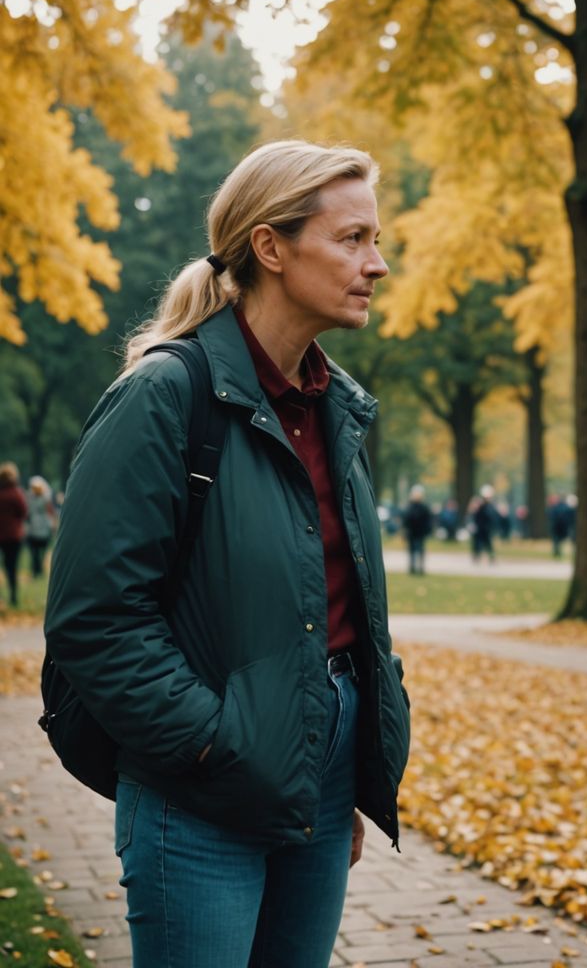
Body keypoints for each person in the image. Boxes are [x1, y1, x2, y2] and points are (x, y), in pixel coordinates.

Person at [44, 140, 411, 968]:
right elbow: (93, 618)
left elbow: (341, 609)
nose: (377, 264)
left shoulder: (336, 407)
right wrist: (216, 743)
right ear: (271, 247)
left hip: (319, 786)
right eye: (352, 239)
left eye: (375, 239)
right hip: (197, 792)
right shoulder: (163, 397)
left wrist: (339, 767)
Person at [0, 462, 28, 607]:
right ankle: (13, 595)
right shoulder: (17, 493)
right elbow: (24, 512)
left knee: (5, 564)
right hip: (15, 535)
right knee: (13, 565)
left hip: (2, 535)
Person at [25, 475, 57, 578]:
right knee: (41, 551)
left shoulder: (29, 497)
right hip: (43, 526)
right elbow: (50, 511)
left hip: (34, 526)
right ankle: (39, 570)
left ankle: (36, 569)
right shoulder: (45, 497)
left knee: (35, 552)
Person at [403, 484, 433, 575]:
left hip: (420, 532)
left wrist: (427, 530)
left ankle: (420, 568)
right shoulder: (410, 506)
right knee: (412, 551)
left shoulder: (424, 507)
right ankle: (412, 568)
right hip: (412, 532)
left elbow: (428, 520)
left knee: (420, 550)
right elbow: (406, 520)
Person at [470, 484, 497, 563]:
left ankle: (490, 557)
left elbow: (491, 517)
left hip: (486, 528)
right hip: (480, 528)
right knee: (478, 544)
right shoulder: (480, 505)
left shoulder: (489, 506)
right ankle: (477, 557)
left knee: (487, 544)